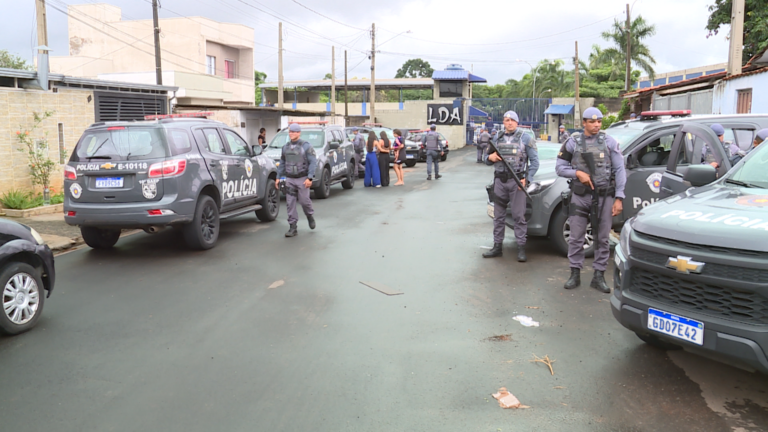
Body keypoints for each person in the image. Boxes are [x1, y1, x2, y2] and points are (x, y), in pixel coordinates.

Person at [555, 107, 627, 293]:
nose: (596, 125)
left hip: (604, 196)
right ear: (583, 123)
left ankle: (599, 276)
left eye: (599, 122)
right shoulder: (572, 143)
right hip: (580, 196)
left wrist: (619, 197)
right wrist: (577, 173)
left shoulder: (610, 142)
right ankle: (575, 273)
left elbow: (620, 170)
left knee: (603, 238)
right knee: (576, 236)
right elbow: (560, 167)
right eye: (592, 122)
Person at [482, 111, 540, 261]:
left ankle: (521, 248)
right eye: (506, 120)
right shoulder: (497, 137)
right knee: (498, 217)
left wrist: (527, 178)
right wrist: (490, 157)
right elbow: (485, 158)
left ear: (517, 122)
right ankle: (497, 247)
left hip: (517, 183)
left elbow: (535, 162)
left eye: (512, 120)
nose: (509, 123)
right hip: (500, 182)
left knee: (518, 216)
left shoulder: (526, 138)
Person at [276, 123, 318, 238]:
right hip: (290, 179)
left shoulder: (306, 146)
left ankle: (309, 216)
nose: (291, 134)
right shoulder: (286, 147)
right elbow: (282, 163)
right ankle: (293, 227)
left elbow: (313, 162)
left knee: (304, 201)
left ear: (299, 133)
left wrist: (310, 177)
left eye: (294, 132)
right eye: (290, 132)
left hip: (302, 179)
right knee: (290, 203)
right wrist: (278, 177)